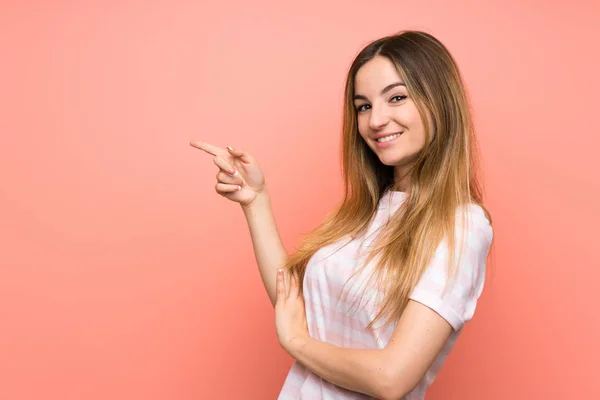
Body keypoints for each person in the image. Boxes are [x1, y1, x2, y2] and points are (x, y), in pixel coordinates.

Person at [190, 30, 494, 400]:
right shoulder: (371, 210)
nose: (376, 120)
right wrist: (255, 201)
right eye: (363, 106)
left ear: (440, 103)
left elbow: (391, 379)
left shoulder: (462, 225)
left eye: (396, 98)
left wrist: (297, 343)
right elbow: (297, 310)